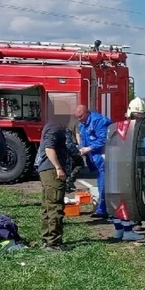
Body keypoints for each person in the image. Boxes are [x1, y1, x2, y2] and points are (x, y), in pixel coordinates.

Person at [112, 97, 145, 242]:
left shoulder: (118, 127)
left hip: (114, 168)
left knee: (116, 200)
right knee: (127, 201)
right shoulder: (138, 130)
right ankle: (128, 231)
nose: (140, 119)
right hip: (128, 169)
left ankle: (118, 230)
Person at [35, 99, 73, 251]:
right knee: (55, 206)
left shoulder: (50, 125)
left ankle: (47, 239)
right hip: (52, 170)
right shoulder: (56, 127)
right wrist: (58, 167)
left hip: (45, 170)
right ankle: (54, 243)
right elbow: (49, 148)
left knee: (47, 205)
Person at [75, 104, 112, 219]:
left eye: (81, 116)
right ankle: (102, 208)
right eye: (77, 117)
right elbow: (82, 136)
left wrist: (88, 149)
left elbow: (103, 139)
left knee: (104, 184)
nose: (79, 119)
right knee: (101, 183)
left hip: (103, 157)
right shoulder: (82, 123)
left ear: (87, 113)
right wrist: (81, 147)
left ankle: (104, 210)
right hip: (93, 158)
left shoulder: (99, 121)